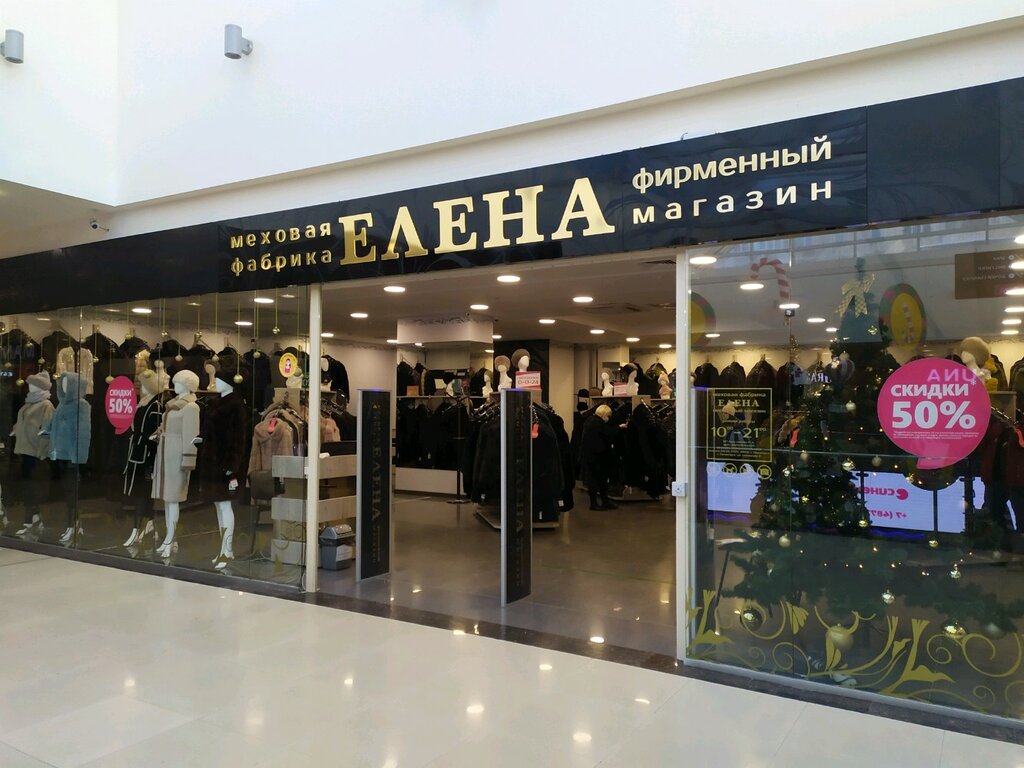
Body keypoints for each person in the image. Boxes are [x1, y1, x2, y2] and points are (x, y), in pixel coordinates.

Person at [579, 404, 623, 510]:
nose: (609, 418)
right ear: (604, 414)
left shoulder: (590, 420)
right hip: (596, 457)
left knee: (597, 481)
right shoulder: (598, 423)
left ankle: (601, 502)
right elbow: (608, 432)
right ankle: (596, 504)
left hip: (591, 456)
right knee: (598, 481)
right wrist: (619, 427)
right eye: (608, 415)